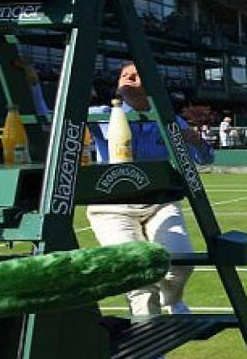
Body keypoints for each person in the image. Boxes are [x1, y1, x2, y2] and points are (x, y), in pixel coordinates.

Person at [86, 61, 214, 317]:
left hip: (160, 203)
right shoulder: (101, 114)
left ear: (152, 84)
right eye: (124, 75)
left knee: (181, 261)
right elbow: (52, 119)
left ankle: (171, 298)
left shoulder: (169, 119)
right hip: (112, 208)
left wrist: (198, 142)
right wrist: (34, 87)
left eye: (136, 75)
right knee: (137, 274)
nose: (129, 79)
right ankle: (151, 340)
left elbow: (206, 159)